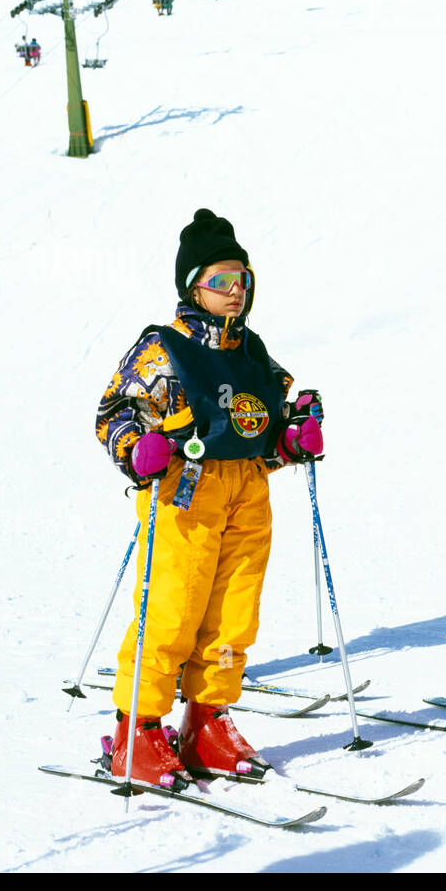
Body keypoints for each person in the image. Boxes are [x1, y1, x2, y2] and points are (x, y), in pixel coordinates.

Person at [93, 209, 324, 789]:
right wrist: (135, 446)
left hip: (247, 489)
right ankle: (138, 728)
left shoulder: (253, 352)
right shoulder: (164, 348)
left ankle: (206, 719)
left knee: (233, 612)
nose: (234, 292)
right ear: (192, 285)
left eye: (241, 280)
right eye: (220, 281)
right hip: (185, 491)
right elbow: (114, 411)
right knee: (174, 608)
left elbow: (265, 426)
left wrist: (292, 436)